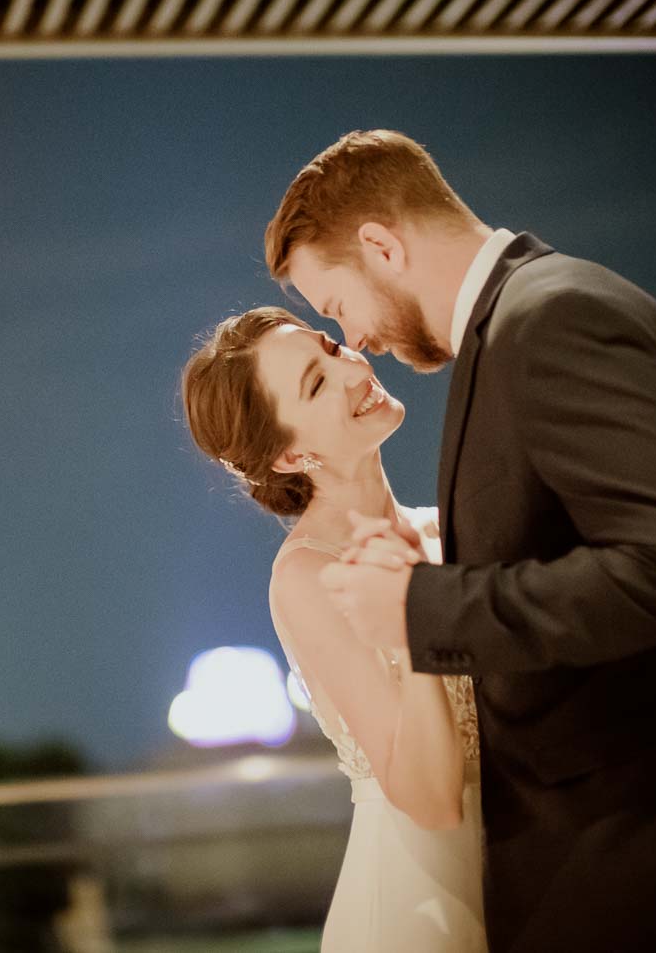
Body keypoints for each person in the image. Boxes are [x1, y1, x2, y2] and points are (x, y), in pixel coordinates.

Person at [268, 128, 656, 951]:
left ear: (379, 245)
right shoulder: (525, 324)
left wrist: (419, 604)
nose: (357, 340)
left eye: (336, 311)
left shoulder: (553, 320)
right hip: (625, 859)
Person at [183, 306, 486, 951]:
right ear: (292, 454)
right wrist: (412, 629)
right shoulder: (309, 577)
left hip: (520, 883)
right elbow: (430, 800)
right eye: (317, 384)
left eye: (329, 348)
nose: (353, 368)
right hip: (418, 909)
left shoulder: (450, 527)